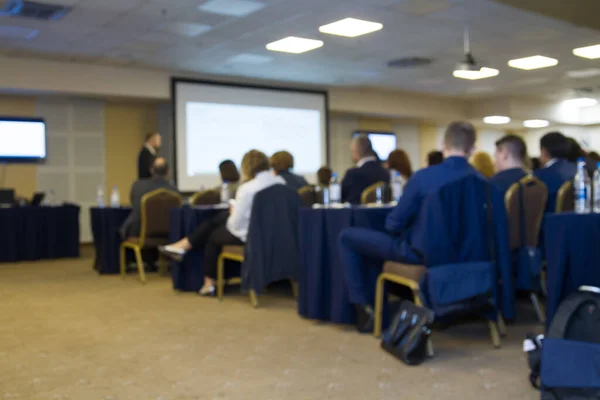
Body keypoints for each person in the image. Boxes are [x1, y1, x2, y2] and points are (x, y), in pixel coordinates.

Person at [339, 121, 479, 332]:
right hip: (469, 256)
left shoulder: (423, 178)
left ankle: (365, 310)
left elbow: (394, 224)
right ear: (473, 149)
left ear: (443, 145)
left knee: (346, 236)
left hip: (423, 255)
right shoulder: (483, 182)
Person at [159, 150, 285, 296]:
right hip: (275, 235)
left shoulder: (247, 189)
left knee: (213, 235)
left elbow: (236, 225)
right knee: (220, 218)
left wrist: (232, 215)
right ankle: (184, 246)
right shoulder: (280, 183)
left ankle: (208, 282)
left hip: (252, 236)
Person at [121, 157, 177, 238]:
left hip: (139, 235)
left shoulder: (138, 186)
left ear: (151, 170)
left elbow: (134, 205)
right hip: (167, 236)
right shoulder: (175, 192)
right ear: (168, 171)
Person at [534, 132, 577, 213]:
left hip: (551, 220)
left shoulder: (540, 176)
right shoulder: (577, 170)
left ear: (544, 151)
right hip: (575, 219)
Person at [341, 135, 389, 204]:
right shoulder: (385, 173)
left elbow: (339, 198)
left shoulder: (352, 174)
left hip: (358, 214)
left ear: (356, 151)